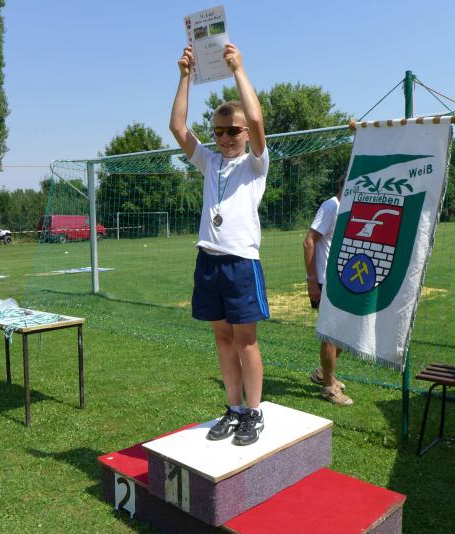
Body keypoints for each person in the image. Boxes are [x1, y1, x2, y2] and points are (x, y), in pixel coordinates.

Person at [170, 43, 269, 446]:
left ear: (245, 134)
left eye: (234, 131)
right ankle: (234, 408)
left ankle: (254, 413)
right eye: (220, 131)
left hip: (240, 263)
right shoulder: (209, 162)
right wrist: (185, 77)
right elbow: (178, 127)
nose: (226, 138)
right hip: (208, 261)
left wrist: (238, 70)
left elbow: (257, 119)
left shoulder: (255, 164)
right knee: (222, 339)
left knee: (246, 341)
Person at [303, 176, 353, 405]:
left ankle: (323, 373)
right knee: (332, 334)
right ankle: (328, 388)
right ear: (346, 186)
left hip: (341, 281)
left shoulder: (347, 208)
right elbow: (309, 241)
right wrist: (312, 280)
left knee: (345, 332)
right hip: (325, 282)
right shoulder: (331, 206)